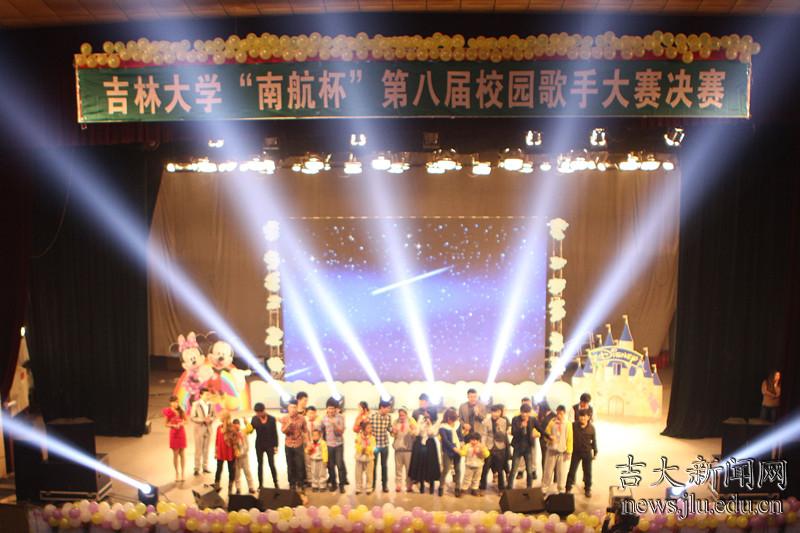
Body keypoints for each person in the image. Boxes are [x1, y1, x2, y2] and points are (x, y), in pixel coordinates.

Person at [409, 394, 440, 495]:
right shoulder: (418, 415)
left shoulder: (435, 419)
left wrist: (429, 424)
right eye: (425, 414)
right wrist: (420, 424)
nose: (425, 415)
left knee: (431, 465)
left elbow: (433, 433)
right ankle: (421, 484)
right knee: (420, 465)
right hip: (420, 443)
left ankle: (431, 485)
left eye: (427, 414)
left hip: (430, 444)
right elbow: (416, 431)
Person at [566, 409, 597, 498]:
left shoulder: (591, 428)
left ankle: (587, 489)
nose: (582, 418)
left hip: (587, 453)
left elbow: (594, 441)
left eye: (584, 416)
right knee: (572, 470)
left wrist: (595, 451)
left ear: (588, 417)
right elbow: (568, 437)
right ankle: (568, 488)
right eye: (581, 416)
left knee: (587, 472)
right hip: (576, 452)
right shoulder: (573, 426)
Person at [543, 405, 573, 494]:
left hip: (563, 452)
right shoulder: (552, 422)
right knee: (548, 471)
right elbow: (546, 434)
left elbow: (570, 438)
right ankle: (544, 488)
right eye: (558, 413)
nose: (559, 415)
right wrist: (549, 438)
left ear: (564, 413)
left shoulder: (568, 424)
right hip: (551, 451)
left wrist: (569, 451)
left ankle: (561, 489)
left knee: (562, 472)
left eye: (561, 413)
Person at [481, 404, 510, 494]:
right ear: (491, 412)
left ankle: (501, 488)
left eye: (497, 412)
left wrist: (499, 428)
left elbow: (503, 435)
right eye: (493, 412)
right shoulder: (486, 421)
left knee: (500, 469)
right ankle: (482, 487)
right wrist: (483, 445)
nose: (495, 414)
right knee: (485, 468)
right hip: (489, 447)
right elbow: (484, 434)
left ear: (500, 412)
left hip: (500, 447)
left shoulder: (504, 421)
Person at [281, 399, 309, 491]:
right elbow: (283, 431)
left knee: (300, 464)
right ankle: (292, 483)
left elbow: (305, 430)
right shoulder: (285, 418)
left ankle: (301, 483)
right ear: (288, 408)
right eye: (291, 407)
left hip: (299, 444)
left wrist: (308, 442)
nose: (293, 409)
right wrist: (288, 424)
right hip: (288, 444)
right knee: (290, 465)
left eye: (294, 407)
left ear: (297, 408)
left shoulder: (302, 418)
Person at [510, 403, 540, 488]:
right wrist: (521, 427)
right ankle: (509, 487)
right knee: (514, 469)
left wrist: (548, 436)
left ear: (529, 413)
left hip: (528, 448)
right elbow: (513, 432)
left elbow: (540, 429)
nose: (524, 414)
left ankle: (529, 487)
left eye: (526, 413)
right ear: (520, 412)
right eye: (523, 412)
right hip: (518, 447)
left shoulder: (532, 419)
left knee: (529, 470)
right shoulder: (515, 419)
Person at [321, 397, 347, 493]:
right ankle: (333, 484)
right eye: (329, 408)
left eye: (333, 408)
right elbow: (321, 430)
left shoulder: (340, 417)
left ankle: (342, 485)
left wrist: (334, 424)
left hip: (339, 444)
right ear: (326, 409)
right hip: (328, 445)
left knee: (340, 465)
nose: (331, 410)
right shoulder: (324, 418)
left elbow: (341, 432)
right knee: (330, 466)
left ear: (336, 409)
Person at [251, 402, 279, 489]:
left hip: (269, 445)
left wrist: (276, 446)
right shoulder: (254, 419)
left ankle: (276, 483)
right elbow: (250, 430)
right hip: (259, 445)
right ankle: (260, 485)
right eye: (257, 413)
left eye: (259, 412)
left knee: (271, 464)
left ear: (263, 411)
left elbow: (275, 433)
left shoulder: (272, 419)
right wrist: (246, 426)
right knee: (260, 464)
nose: (258, 414)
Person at [391, 406, 417, 492]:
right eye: (400, 415)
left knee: (408, 469)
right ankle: (398, 485)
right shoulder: (395, 422)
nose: (401, 417)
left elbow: (416, 433)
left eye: (403, 415)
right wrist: (393, 432)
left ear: (406, 414)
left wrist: (413, 430)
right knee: (398, 469)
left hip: (408, 449)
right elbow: (392, 434)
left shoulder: (411, 421)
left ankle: (409, 485)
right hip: (398, 449)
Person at [369, 400, 393, 493]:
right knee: (373, 466)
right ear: (382, 408)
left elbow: (389, 428)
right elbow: (368, 429)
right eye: (387, 408)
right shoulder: (372, 417)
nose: (389, 410)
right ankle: (372, 485)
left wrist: (393, 431)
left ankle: (384, 485)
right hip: (374, 446)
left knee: (384, 466)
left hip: (384, 445)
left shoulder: (388, 417)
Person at [439, 407, 463, 497]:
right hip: (447, 451)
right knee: (446, 469)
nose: (452, 422)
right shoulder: (442, 427)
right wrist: (454, 448)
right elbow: (445, 440)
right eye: (451, 419)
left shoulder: (457, 424)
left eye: (454, 419)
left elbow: (460, 435)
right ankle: (441, 486)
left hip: (458, 449)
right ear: (447, 418)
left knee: (458, 469)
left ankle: (457, 488)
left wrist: (462, 443)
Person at [190, 388, 214, 476]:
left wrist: (211, 419)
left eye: (209, 394)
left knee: (206, 449)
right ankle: (196, 468)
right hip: (199, 430)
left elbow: (214, 415)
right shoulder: (196, 404)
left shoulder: (211, 404)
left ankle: (205, 467)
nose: (208, 396)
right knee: (198, 449)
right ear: (201, 395)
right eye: (206, 394)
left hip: (208, 429)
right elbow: (192, 417)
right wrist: (203, 420)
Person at [163, 395, 187, 482]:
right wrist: (173, 425)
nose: (176, 403)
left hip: (181, 433)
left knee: (182, 454)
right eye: (174, 402)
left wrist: (181, 424)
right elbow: (165, 424)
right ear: (170, 403)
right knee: (175, 454)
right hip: (174, 434)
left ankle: (183, 473)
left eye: (177, 402)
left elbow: (186, 420)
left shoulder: (181, 410)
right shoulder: (168, 411)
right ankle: (177, 473)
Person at [232, 418, 257, 495]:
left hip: (244, 456)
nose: (236, 427)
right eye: (234, 426)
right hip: (236, 458)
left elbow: (251, 429)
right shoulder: (231, 434)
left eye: (238, 425)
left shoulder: (243, 432)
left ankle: (251, 487)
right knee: (237, 474)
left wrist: (246, 422)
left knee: (247, 472)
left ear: (239, 425)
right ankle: (238, 489)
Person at [214, 411, 237, 494]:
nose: (219, 417)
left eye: (221, 416)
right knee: (218, 469)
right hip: (220, 452)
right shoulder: (218, 428)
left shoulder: (232, 428)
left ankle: (230, 488)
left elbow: (235, 440)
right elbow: (217, 440)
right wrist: (216, 451)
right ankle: (216, 486)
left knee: (231, 470)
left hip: (230, 452)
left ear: (224, 417)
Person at [355, 421, 376, 494]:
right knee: (358, 474)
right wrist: (361, 449)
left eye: (370, 428)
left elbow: (372, 447)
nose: (370, 429)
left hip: (369, 458)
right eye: (368, 428)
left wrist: (366, 450)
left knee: (369, 474)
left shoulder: (372, 438)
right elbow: (357, 446)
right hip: (359, 458)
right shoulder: (358, 437)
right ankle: (358, 488)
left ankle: (369, 488)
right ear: (363, 429)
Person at [537, 402, 555, 482]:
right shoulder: (541, 416)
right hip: (543, 440)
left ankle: (555, 478)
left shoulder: (553, 416)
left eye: (539, 408)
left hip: (551, 440)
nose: (538, 410)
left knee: (553, 459)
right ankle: (545, 477)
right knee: (544, 458)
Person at [304, 406, 321, 489]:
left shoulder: (318, 423)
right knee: (308, 463)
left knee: (317, 464)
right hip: (307, 445)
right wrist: (308, 443)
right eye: (309, 413)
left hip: (317, 446)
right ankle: (310, 480)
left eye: (313, 413)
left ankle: (318, 480)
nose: (311, 415)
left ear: (315, 413)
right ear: (306, 413)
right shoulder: (304, 423)